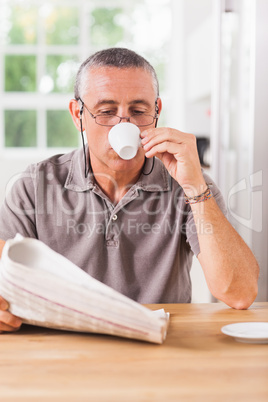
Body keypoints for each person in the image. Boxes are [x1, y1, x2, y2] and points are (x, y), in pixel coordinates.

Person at [0, 47, 259, 333]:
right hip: (63, 348)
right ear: (78, 115)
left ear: (157, 111)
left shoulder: (191, 185)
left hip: (160, 348)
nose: (124, 124)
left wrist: (196, 187)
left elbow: (240, 293)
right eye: (106, 111)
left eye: (138, 111)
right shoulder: (33, 187)